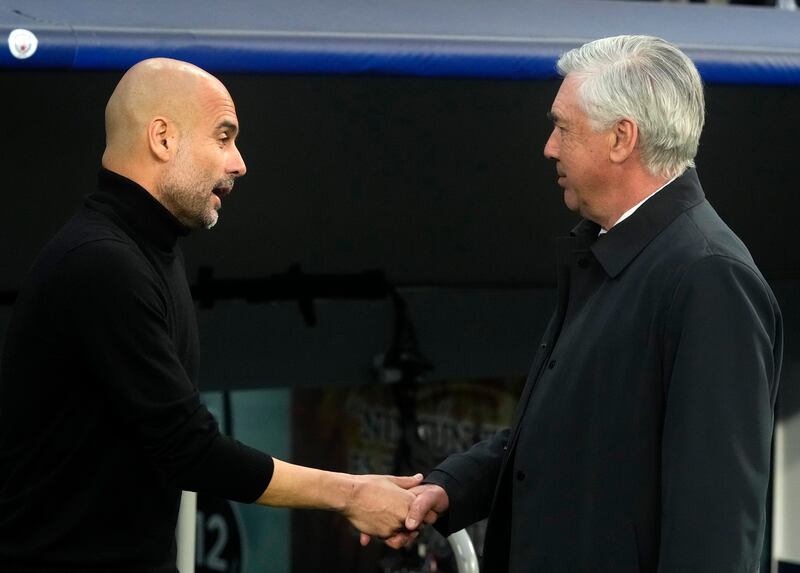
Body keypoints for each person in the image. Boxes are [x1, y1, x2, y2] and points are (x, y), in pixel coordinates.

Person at [376, 35, 784, 572]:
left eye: (563, 127)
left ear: (621, 138)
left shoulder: (708, 276)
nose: (548, 146)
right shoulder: (618, 254)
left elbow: (715, 522)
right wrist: (452, 487)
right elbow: (570, 434)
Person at [0, 58, 421, 572]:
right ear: (162, 138)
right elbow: (188, 446)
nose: (239, 162)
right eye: (224, 137)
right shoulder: (100, 262)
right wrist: (350, 493)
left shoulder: (151, 249)